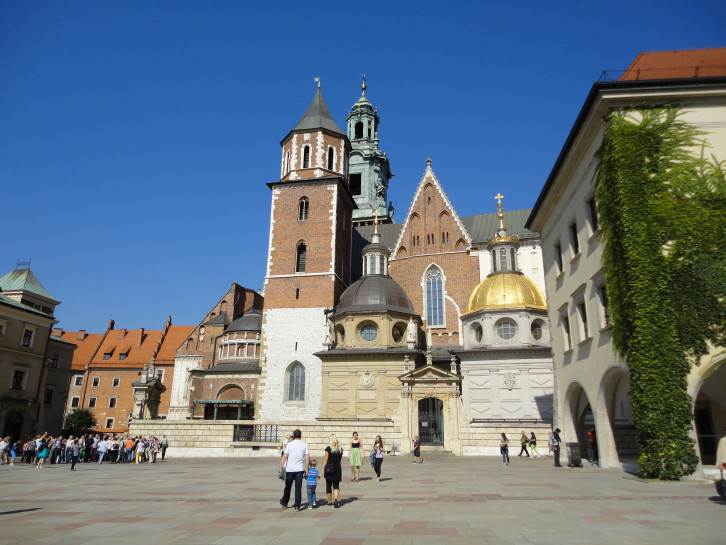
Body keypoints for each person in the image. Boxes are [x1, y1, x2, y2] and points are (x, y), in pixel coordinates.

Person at [278, 429, 310, 512]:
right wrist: (307, 467)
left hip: (290, 469)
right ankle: (297, 506)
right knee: (298, 488)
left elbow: (285, 456)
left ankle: (285, 503)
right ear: (301, 436)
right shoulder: (304, 445)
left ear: (294, 435)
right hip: (299, 469)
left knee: (288, 487)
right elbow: (307, 457)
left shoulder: (290, 445)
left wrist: (281, 467)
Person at [322, 434, 343, 508]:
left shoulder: (328, 449)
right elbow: (339, 460)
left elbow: (325, 460)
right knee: (336, 485)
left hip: (329, 468)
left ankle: (329, 501)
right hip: (337, 468)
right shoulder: (340, 449)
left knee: (328, 485)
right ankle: (336, 500)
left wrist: (322, 471)